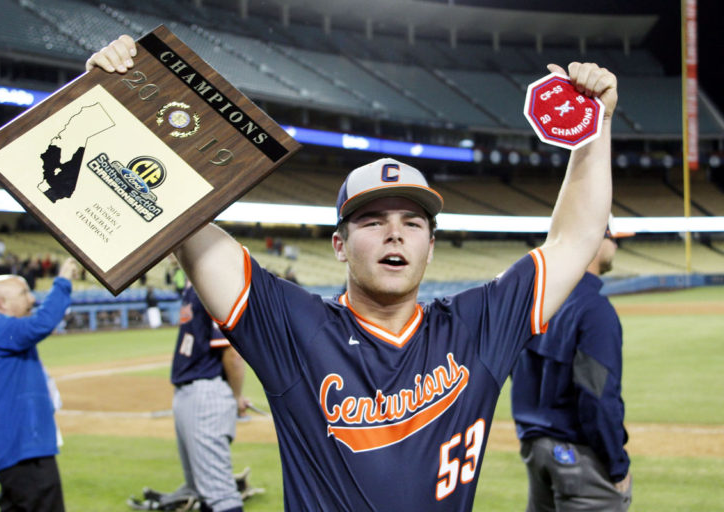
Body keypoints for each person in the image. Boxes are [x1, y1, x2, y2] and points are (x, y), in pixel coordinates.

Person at [88, 36, 617, 511]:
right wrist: (120, 99)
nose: (394, 234)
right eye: (372, 220)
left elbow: (575, 238)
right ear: (339, 245)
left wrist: (595, 128)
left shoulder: (478, 326)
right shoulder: (293, 329)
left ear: (429, 247)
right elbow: (187, 225)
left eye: (412, 222)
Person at [510, 217, 633, 511]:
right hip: (579, 458)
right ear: (595, 241)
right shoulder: (595, 310)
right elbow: (598, 397)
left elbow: (518, 373)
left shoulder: (535, 301)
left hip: (535, 449)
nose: (616, 245)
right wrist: (616, 465)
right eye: (613, 238)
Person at [130, 283, 251, 512]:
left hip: (205, 392)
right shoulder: (192, 287)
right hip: (191, 391)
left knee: (221, 495)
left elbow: (232, 353)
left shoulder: (211, 284)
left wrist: (236, 396)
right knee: (201, 489)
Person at [0, 257, 79, 512]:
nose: (32, 299)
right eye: (24, 293)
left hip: (18, 449)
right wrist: (63, 280)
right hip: (23, 451)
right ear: (3, 303)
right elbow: (41, 324)